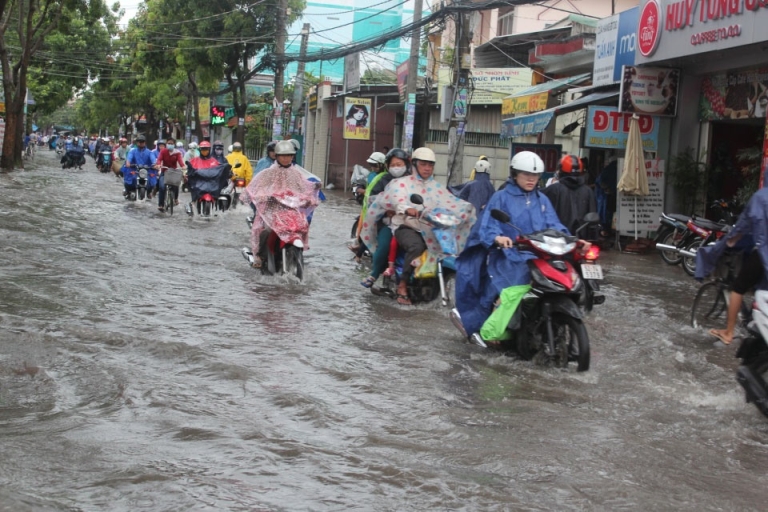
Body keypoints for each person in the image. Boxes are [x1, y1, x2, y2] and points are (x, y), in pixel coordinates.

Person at [451, 151, 591, 347]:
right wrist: (498, 238)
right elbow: (487, 225)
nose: (531, 179)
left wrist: (574, 241)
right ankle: (494, 326)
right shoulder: (501, 197)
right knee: (513, 280)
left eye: (535, 175)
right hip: (508, 255)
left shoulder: (542, 200)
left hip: (539, 254)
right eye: (526, 174)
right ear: (515, 174)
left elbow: (555, 226)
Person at [361, 147, 475, 305]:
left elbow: (449, 202)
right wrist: (406, 208)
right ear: (414, 164)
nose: (427, 168)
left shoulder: (436, 187)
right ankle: (402, 285)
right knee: (417, 246)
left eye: (430, 165)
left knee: (450, 249)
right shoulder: (401, 183)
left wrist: (465, 211)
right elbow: (397, 198)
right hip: (405, 225)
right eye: (423, 164)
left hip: (429, 227)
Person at [697, 187, 768, 345]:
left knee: (738, 288)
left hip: (763, 253)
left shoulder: (761, 197)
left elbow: (742, 226)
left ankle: (729, 332)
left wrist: (727, 243)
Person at [242, 140, 320, 268]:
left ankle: (296, 254)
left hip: (290, 210)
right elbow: (256, 188)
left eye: (289, 155)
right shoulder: (268, 173)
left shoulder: (296, 173)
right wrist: (264, 196)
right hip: (271, 210)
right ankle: (261, 256)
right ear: (277, 156)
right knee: (266, 230)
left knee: (303, 226)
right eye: (283, 156)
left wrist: (310, 196)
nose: (286, 158)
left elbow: (304, 188)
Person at [350, 150, 391, 264]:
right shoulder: (373, 175)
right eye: (371, 165)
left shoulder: (385, 178)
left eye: (375, 165)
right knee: (369, 232)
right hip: (369, 208)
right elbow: (369, 190)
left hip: (379, 209)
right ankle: (360, 254)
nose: (373, 168)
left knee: (371, 233)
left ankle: (359, 254)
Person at [543, 154, 597, 237]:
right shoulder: (588, 191)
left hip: (556, 238)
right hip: (580, 239)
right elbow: (593, 219)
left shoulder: (553, 189)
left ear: (560, 170)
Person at [155, 137, 185, 212]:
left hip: (173, 172)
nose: (170, 145)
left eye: (172, 143)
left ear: (174, 144)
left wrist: (183, 166)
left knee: (176, 184)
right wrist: (158, 164)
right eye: (169, 143)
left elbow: (180, 161)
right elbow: (159, 159)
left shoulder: (177, 153)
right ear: (166, 144)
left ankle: (175, 199)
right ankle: (161, 204)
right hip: (164, 172)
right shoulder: (163, 151)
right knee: (162, 187)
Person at [595, 153, 618, 236]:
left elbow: (600, 181)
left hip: (606, 196)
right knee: (609, 213)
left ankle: (605, 229)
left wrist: (607, 189)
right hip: (611, 195)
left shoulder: (608, 169)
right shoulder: (615, 169)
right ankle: (607, 229)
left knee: (605, 213)